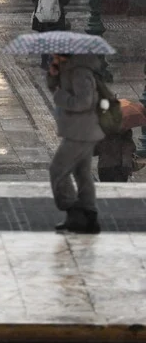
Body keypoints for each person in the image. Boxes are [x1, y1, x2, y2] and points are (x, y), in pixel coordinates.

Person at [46, 53, 104, 233]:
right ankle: (89, 216)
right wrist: (53, 74)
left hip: (81, 131)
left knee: (57, 169)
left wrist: (61, 97)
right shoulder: (67, 69)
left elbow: (83, 102)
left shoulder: (79, 73)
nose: (51, 55)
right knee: (82, 173)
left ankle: (74, 211)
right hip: (79, 130)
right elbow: (53, 88)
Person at [26, 0, 70, 70]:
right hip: (57, 17)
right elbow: (66, 0)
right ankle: (53, 60)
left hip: (42, 17)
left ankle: (44, 61)